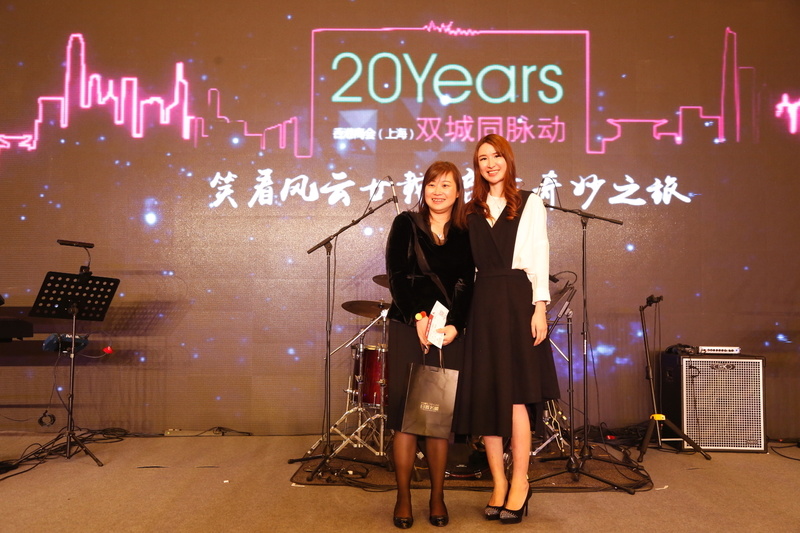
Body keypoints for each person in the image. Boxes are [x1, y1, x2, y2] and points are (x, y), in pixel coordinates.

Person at [454, 134, 561, 525]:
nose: (490, 163)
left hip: (518, 301)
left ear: (508, 159)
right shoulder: (470, 210)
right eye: (483, 158)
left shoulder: (529, 202)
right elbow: (463, 268)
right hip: (483, 304)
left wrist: (540, 307)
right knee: (487, 396)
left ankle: (520, 481)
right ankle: (498, 483)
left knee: (516, 397)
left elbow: (539, 253)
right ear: (477, 166)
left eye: (496, 155)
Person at [385, 161, 474, 529]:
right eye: (432, 184)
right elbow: (396, 276)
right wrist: (417, 317)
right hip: (408, 328)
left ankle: (438, 496)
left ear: (458, 192)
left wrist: (456, 326)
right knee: (406, 420)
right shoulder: (405, 223)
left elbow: (467, 283)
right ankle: (403, 497)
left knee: (437, 420)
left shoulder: (466, 232)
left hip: (446, 334)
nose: (438, 191)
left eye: (446, 185)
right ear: (424, 189)